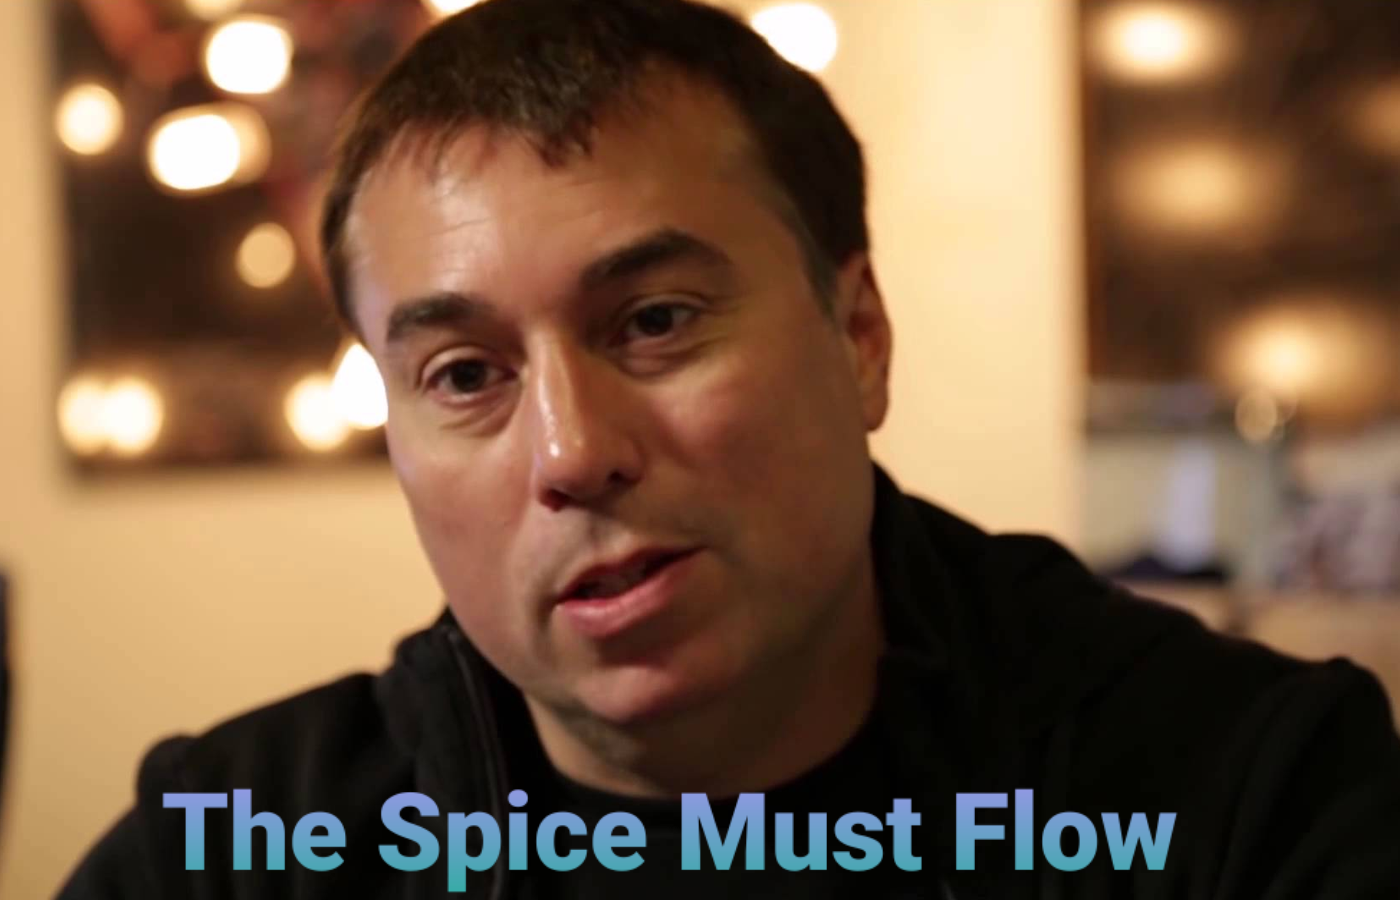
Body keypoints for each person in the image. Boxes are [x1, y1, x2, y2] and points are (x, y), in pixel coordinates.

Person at [58, 0, 1400, 897]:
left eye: (654, 322)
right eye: (464, 375)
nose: (572, 452)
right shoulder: (231, 849)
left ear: (858, 335)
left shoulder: (1242, 796)